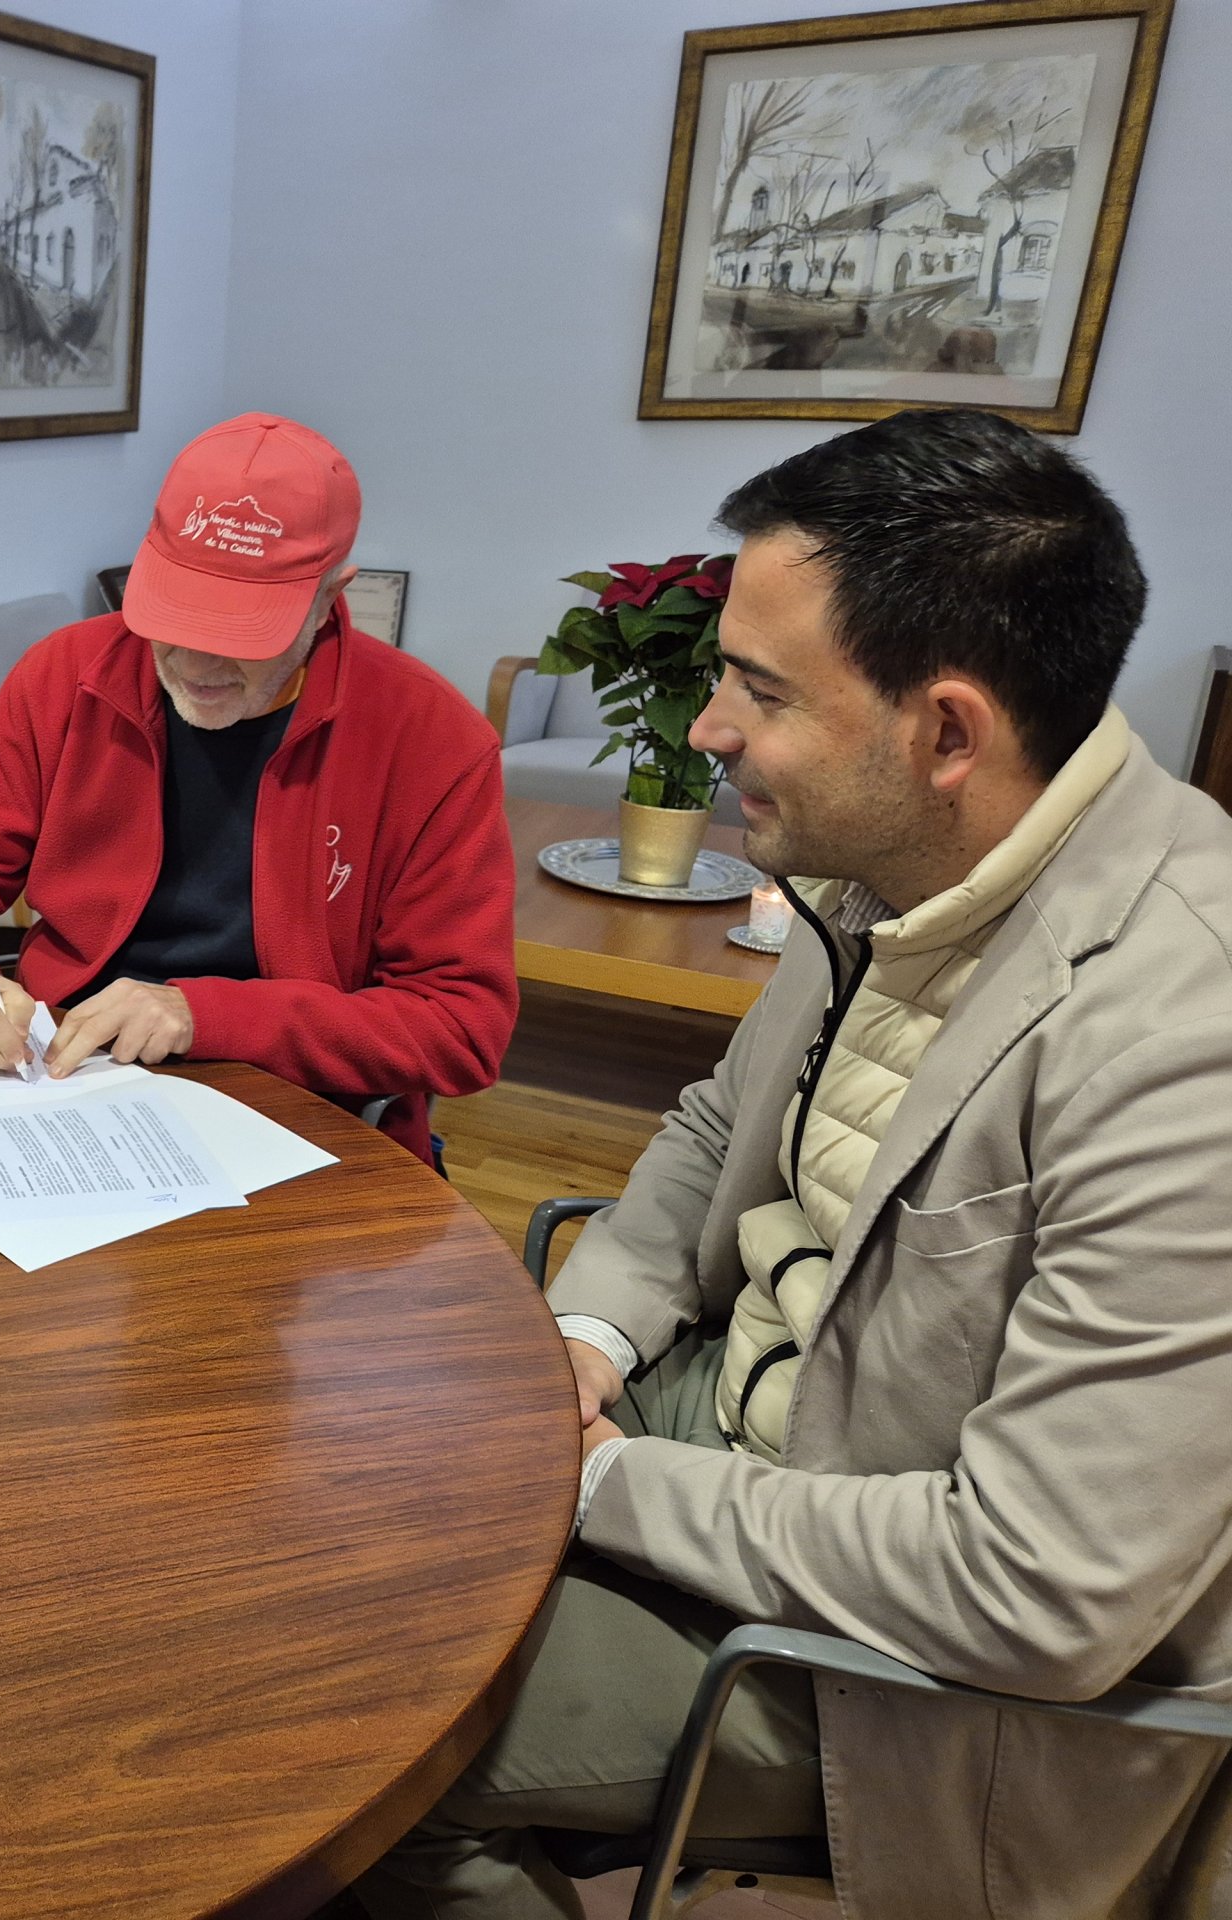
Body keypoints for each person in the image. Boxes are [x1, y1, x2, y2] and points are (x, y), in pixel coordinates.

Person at [355, 409, 1232, 1918]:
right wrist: (588, 1334)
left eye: (760, 690)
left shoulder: (1181, 1036)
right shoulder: (885, 864)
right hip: (741, 1417)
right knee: (333, 1507)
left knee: (364, 1750)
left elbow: (1035, 1591)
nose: (707, 727)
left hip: (907, 1663)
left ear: (945, 733)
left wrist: (607, 1484)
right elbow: (717, 1129)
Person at [0, 414, 516, 1163]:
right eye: (174, 616)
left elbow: (461, 1027)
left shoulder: (431, 740)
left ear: (333, 594)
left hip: (308, 1117)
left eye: (245, 633)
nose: (197, 662)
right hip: (66, 1090)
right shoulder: (67, 675)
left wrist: (203, 1015)